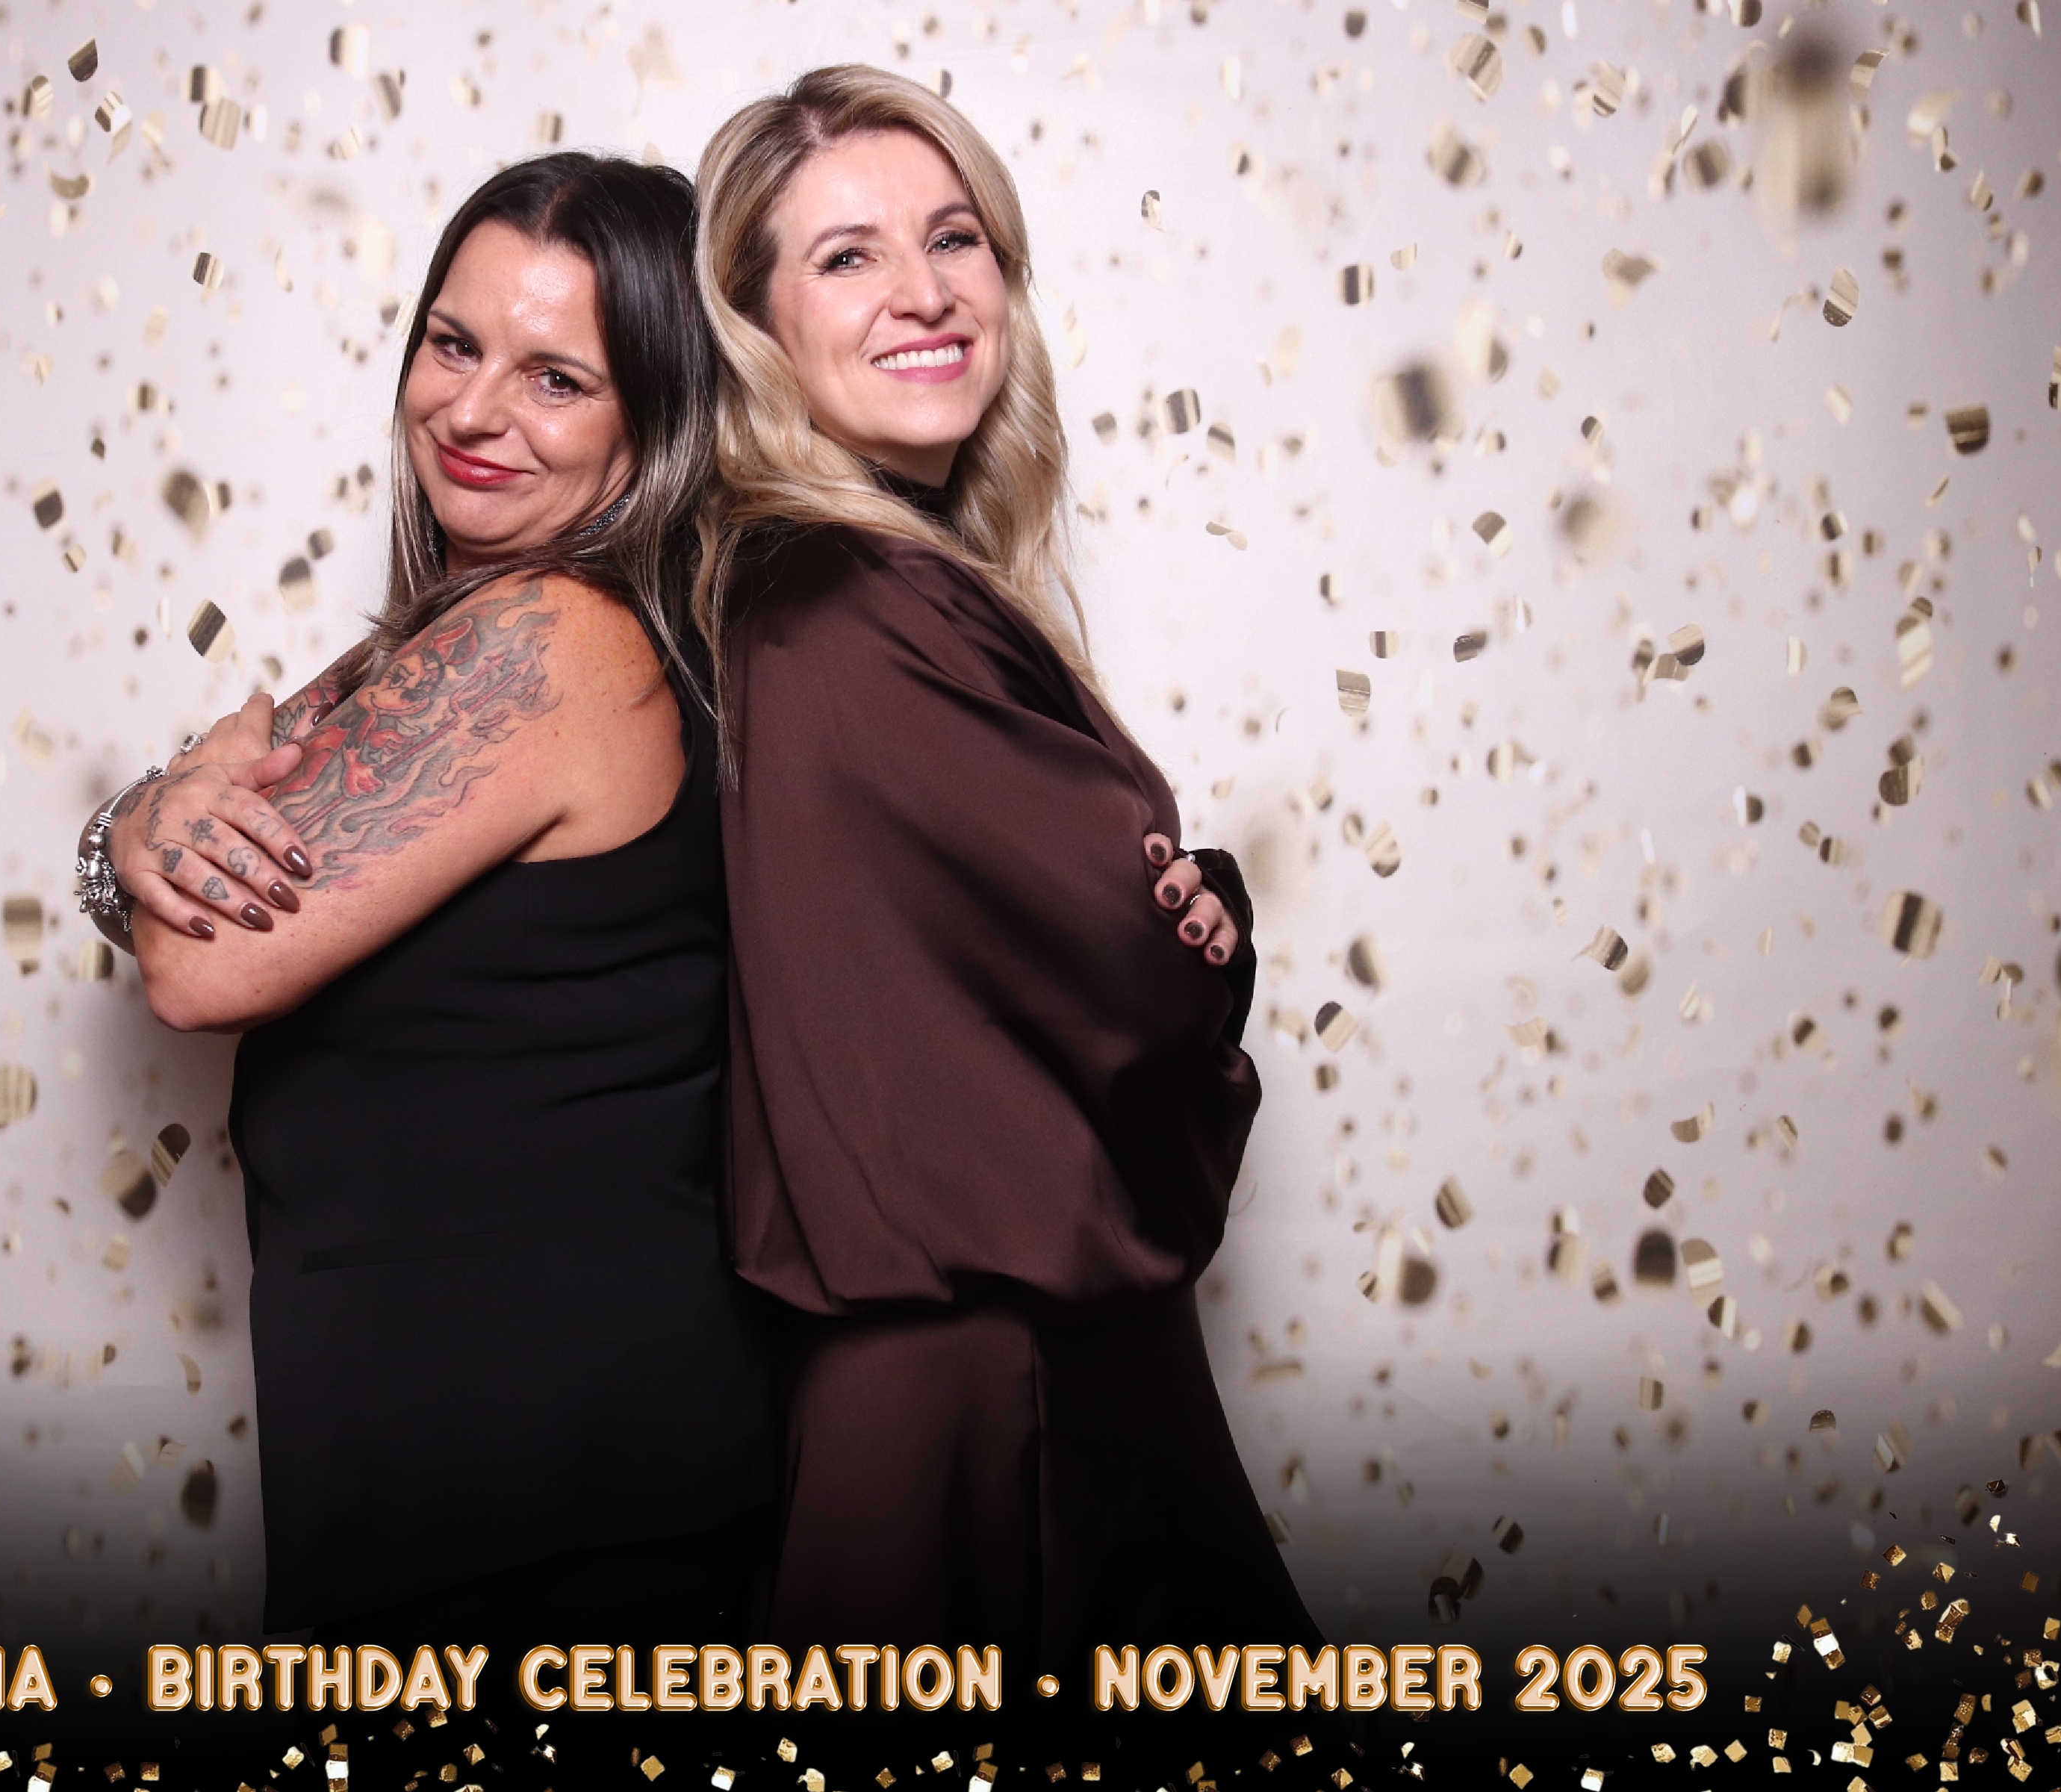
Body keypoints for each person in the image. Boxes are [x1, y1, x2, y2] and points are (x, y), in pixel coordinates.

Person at [69, 153, 777, 1646]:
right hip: (462, 1476)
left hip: (549, 1497)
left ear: (654, 417)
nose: (472, 410)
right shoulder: (458, 634)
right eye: (454, 345)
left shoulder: (547, 641)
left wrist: (159, 815)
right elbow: (173, 846)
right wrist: (136, 818)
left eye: (556, 379)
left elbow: (192, 961)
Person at [691, 66, 1319, 1674]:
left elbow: (1084, 923)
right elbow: (1127, 964)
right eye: (847, 256)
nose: (924, 292)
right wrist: (1193, 938)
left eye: (954, 237)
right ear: (755, 325)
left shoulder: (846, 585)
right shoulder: (847, 603)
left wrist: (1178, 904)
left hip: (993, 1381)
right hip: (994, 1396)